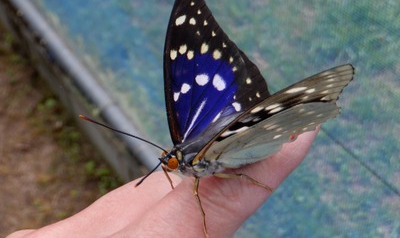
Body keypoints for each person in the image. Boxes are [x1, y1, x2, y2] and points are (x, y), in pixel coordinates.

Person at [7, 129, 318, 238]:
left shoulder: (193, 159)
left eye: (170, 162)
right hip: (238, 141)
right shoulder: (187, 159)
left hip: (250, 140)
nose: (169, 166)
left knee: (209, 187)